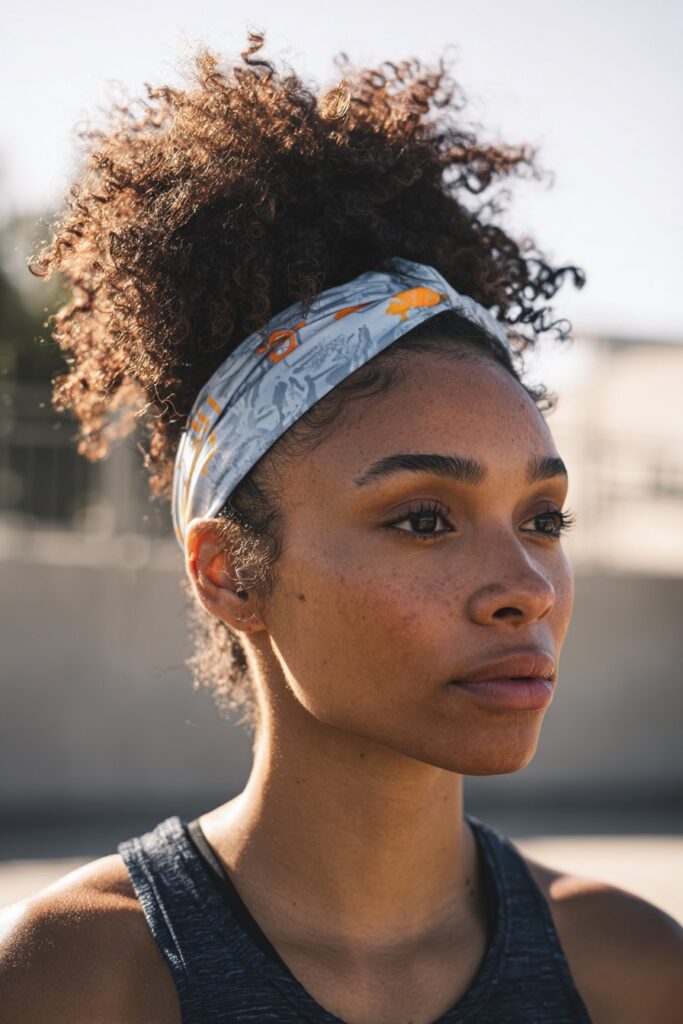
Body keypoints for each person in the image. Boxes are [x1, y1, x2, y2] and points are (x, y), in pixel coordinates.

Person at [1, 33, 681, 1024]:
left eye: (542, 516)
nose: (526, 586)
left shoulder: (631, 974)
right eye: (421, 518)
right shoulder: (72, 982)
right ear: (229, 571)